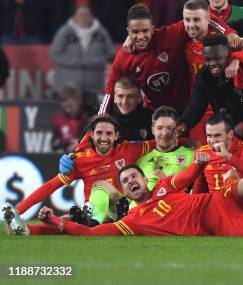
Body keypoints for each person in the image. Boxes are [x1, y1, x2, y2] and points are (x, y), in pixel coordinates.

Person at [11, 159, 243, 236]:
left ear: (145, 179)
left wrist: (199, 161)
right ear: (123, 192)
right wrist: (55, 221)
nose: (130, 181)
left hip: (215, 199)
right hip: (214, 223)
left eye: (134, 176)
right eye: (125, 180)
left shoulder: (163, 187)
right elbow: (89, 234)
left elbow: (187, 175)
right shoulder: (132, 221)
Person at [11, 115, 155, 235]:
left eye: (109, 133)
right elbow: (50, 186)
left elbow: (158, 143)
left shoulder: (128, 149)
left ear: (116, 135)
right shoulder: (81, 160)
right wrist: (18, 210)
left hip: (125, 209)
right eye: (99, 133)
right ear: (91, 135)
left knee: (98, 188)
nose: (103, 138)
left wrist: (177, 137)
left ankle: (89, 222)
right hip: (97, 214)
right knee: (65, 221)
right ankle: (27, 230)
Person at [99, 2, 237, 115]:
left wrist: (228, 32)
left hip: (188, 107)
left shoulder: (169, 36)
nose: (140, 36)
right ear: (128, 32)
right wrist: (100, 120)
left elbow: (204, 17)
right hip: (155, 113)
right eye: (135, 32)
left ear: (153, 29)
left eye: (145, 31)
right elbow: (110, 90)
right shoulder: (124, 56)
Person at [178, 34, 243, 141]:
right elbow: (196, 106)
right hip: (233, 135)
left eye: (218, 58)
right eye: (208, 59)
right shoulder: (205, 75)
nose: (212, 64)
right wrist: (183, 124)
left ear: (229, 55)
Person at [50, 5, 115, 96]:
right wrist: (79, 61)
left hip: (94, 89)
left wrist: (95, 61)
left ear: (92, 16)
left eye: (87, 15)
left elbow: (111, 55)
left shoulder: (101, 33)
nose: (84, 18)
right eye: (80, 14)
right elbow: (55, 55)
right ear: (74, 16)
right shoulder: (65, 32)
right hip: (67, 90)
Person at [192, 113, 243, 193]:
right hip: (215, 203)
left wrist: (228, 156)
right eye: (209, 136)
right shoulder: (202, 152)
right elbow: (199, 184)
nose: (212, 141)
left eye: (217, 135)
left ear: (230, 134)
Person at [109, 76, 153, 141]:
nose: (125, 102)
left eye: (130, 96)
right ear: (114, 98)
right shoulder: (105, 119)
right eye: (120, 96)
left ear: (139, 99)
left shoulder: (152, 119)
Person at [51, 85, 92, 154]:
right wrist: (66, 147)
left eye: (70, 106)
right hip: (65, 157)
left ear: (79, 101)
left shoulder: (88, 118)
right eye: (65, 107)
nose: (67, 110)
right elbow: (54, 144)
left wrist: (81, 143)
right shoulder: (58, 120)